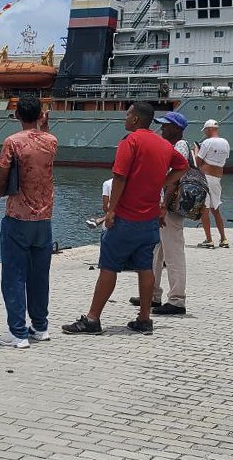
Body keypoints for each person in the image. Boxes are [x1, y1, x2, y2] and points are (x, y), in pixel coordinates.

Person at [62, 102, 188, 335]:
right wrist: (162, 182)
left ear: (136, 119)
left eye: (128, 114)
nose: (125, 117)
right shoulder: (164, 145)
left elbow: (119, 178)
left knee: (109, 267)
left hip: (126, 217)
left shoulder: (129, 142)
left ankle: (92, 320)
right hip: (149, 219)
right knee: (145, 267)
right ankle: (144, 319)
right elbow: (183, 167)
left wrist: (110, 211)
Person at [0, 97, 57, 348]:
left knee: (14, 276)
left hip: (18, 217)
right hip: (44, 219)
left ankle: (18, 333)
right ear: (40, 114)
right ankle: (40, 327)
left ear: (17, 115)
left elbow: (2, 177)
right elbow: (43, 144)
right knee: (39, 276)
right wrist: (44, 126)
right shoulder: (51, 141)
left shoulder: (12, 142)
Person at [127, 111, 190, 315]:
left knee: (173, 254)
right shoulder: (171, 146)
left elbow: (175, 179)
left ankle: (177, 299)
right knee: (156, 252)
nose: (162, 128)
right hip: (163, 206)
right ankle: (152, 294)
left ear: (177, 129)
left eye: (166, 125)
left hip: (170, 208)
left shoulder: (179, 146)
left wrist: (163, 205)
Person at [196, 119, 230, 248]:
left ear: (209, 129)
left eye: (205, 130)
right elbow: (223, 160)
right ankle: (223, 238)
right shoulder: (225, 143)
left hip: (205, 177)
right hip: (217, 179)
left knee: (204, 209)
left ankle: (209, 239)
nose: (204, 132)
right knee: (215, 208)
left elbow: (198, 161)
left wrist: (195, 151)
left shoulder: (207, 142)